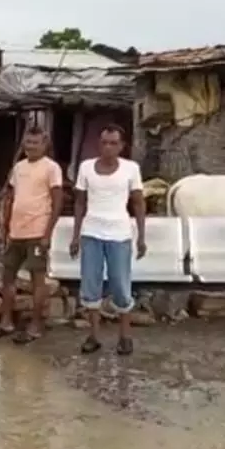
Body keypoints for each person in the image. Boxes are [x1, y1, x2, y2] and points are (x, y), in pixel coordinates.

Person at [69, 124, 147, 356]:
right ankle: (93, 336)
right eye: (104, 142)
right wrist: (75, 235)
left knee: (121, 287)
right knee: (90, 286)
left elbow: (139, 202)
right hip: (91, 233)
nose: (108, 147)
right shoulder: (86, 168)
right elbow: (80, 203)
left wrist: (141, 236)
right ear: (98, 144)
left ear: (122, 146)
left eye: (113, 143)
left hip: (119, 235)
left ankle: (125, 337)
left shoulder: (130, 169)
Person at [0, 127, 63, 343]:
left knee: (37, 280)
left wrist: (48, 233)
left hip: (38, 232)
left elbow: (57, 201)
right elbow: (10, 199)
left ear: (44, 144)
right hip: (16, 232)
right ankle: (6, 322)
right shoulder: (18, 168)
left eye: (35, 143)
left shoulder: (51, 168)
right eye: (27, 143)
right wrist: (4, 228)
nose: (30, 147)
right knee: (7, 276)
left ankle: (36, 326)